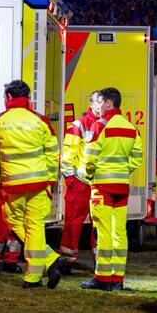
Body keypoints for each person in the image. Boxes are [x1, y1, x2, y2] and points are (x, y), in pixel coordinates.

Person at [0, 80, 64, 289]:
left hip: (13, 185)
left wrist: (0, 182)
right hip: (39, 183)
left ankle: (46, 263)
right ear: (28, 98)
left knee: (14, 221)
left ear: (9, 98)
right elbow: (52, 154)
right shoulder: (41, 121)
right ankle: (40, 270)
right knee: (35, 226)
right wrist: (50, 182)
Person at [78, 87, 144, 291]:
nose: (96, 106)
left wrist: (88, 174)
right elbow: (137, 158)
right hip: (121, 187)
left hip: (102, 187)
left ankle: (103, 279)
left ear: (108, 103)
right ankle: (118, 279)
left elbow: (89, 158)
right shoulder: (131, 128)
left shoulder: (99, 126)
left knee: (104, 232)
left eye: (99, 102)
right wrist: (122, 171)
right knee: (120, 233)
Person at [59, 91, 102, 264]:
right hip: (81, 183)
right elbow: (68, 155)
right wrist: (71, 180)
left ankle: (101, 264)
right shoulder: (80, 124)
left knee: (100, 225)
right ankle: (68, 260)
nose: (100, 106)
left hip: (100, 183)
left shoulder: (108, 124)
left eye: (103, 102)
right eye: (97, 102)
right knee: (72, 223)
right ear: (90, 104)